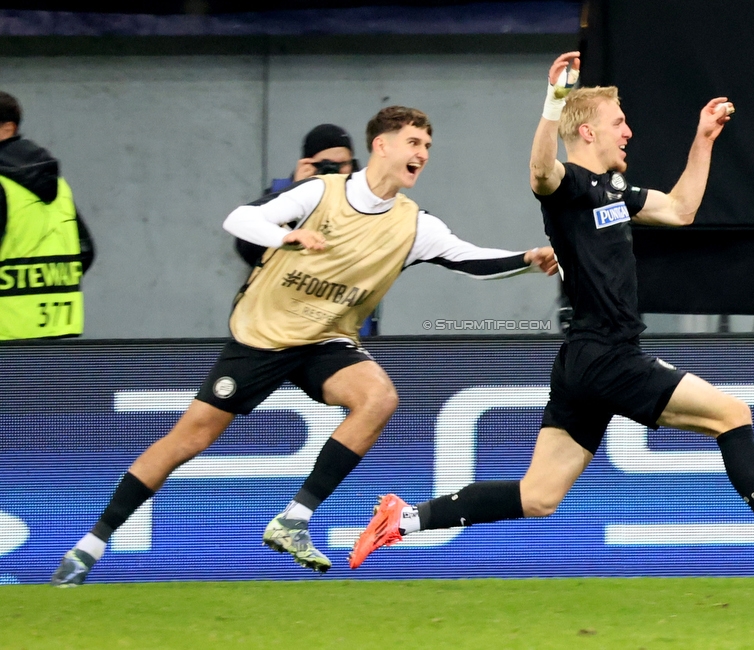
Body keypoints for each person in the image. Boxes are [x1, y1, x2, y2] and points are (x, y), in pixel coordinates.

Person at [350, 53, 754, 578]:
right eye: (619, 122)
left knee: (539, 495)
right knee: (731, 414)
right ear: (588, 131)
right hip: (608, 354)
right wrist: (553, 102)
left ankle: (402, 520)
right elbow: (539, 170)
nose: (629, 132)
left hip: (582, 362)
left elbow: (681, 209)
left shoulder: (615, 191)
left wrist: (704, 139)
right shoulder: (567, 185)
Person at [50, 105, 557, 586]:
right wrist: (284, 237)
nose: (422, 152)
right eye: (413, 142)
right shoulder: (321, 193)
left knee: (378, 398)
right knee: (189, 440)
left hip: (326, 340)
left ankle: (294, 519)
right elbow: (240, 221)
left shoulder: (414, 224)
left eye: (427, 144)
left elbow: (468, 258)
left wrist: (527, 257)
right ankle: (89, 547)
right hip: (263, 336)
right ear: (381, 145)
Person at [0, 90, 95, 340]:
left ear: (7, 129)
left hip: (5, 329)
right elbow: (85, 250)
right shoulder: (58, 183)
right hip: (55, 329)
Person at [235, 123, 359, 267]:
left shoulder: (367, 196)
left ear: (353, 164)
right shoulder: (281, 193)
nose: (335, 172)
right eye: (327, 165)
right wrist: (296, 190)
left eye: (343, 164)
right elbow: (249, 250)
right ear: (309, 164)